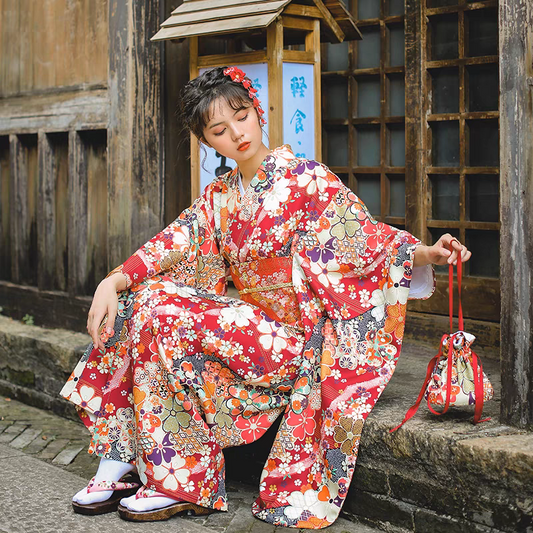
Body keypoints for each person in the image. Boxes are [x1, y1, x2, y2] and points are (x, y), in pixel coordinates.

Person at [61, 66, 471, 527]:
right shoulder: (219, 198)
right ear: (206, 140)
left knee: (159, 303)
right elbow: (168, 245)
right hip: (248, 337)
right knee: (142, 299)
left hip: (291, 345)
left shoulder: (307, 180)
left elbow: (364, 241)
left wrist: (425, 253)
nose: (237, 133)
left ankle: (173, 478)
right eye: (219, 129)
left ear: (257, 111)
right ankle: (129, 463)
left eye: (241, 116)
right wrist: (111, 282)